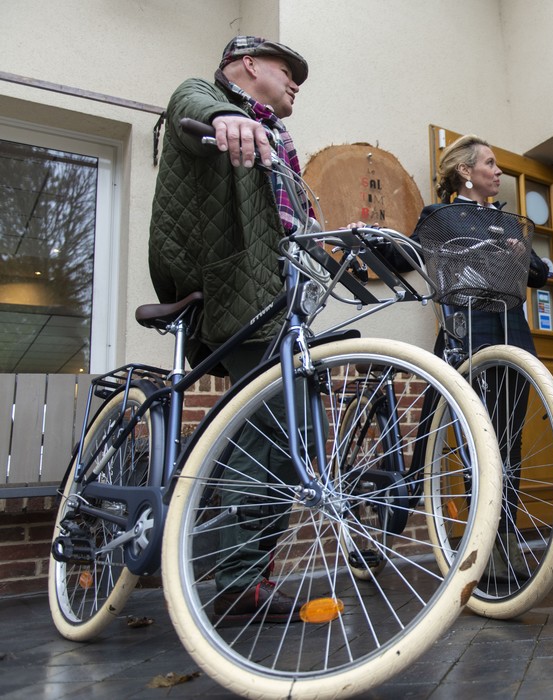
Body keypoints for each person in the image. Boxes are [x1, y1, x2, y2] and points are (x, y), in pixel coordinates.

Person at [148, 35, 314, 622]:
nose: (296, 83)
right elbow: (188, 99)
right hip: (233, 288)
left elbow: (290, 224)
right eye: (287, 70)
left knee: (283, 431)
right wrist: (224, 115)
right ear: (246, 65)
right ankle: (239, 579)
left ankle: (245, 575)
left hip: (274, 296)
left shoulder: (276, 137)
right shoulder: (216, 105)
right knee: (279, 423)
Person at [375, 135, 549, 580]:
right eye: (490, 163)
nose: (498, 171)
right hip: (464, 329)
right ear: (466, 172)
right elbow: (408, 254)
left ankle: (502, 540)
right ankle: (415, 540)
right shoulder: (442, 215)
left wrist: (523, 257)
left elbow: (538, 275)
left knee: (507, 439)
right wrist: (375, 241)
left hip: (511, 330)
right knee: (456, 441)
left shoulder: (508, 222)